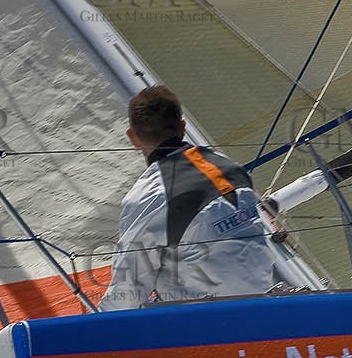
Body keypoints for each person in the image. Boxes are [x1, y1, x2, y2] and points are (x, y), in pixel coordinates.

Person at [97, 85, 293, 311]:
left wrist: (98, 329)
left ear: (132, 137)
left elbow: (129, 286)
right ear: (182, 127)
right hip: (260, 304)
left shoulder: (149, 194)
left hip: (204, 321)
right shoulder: (232, 168)